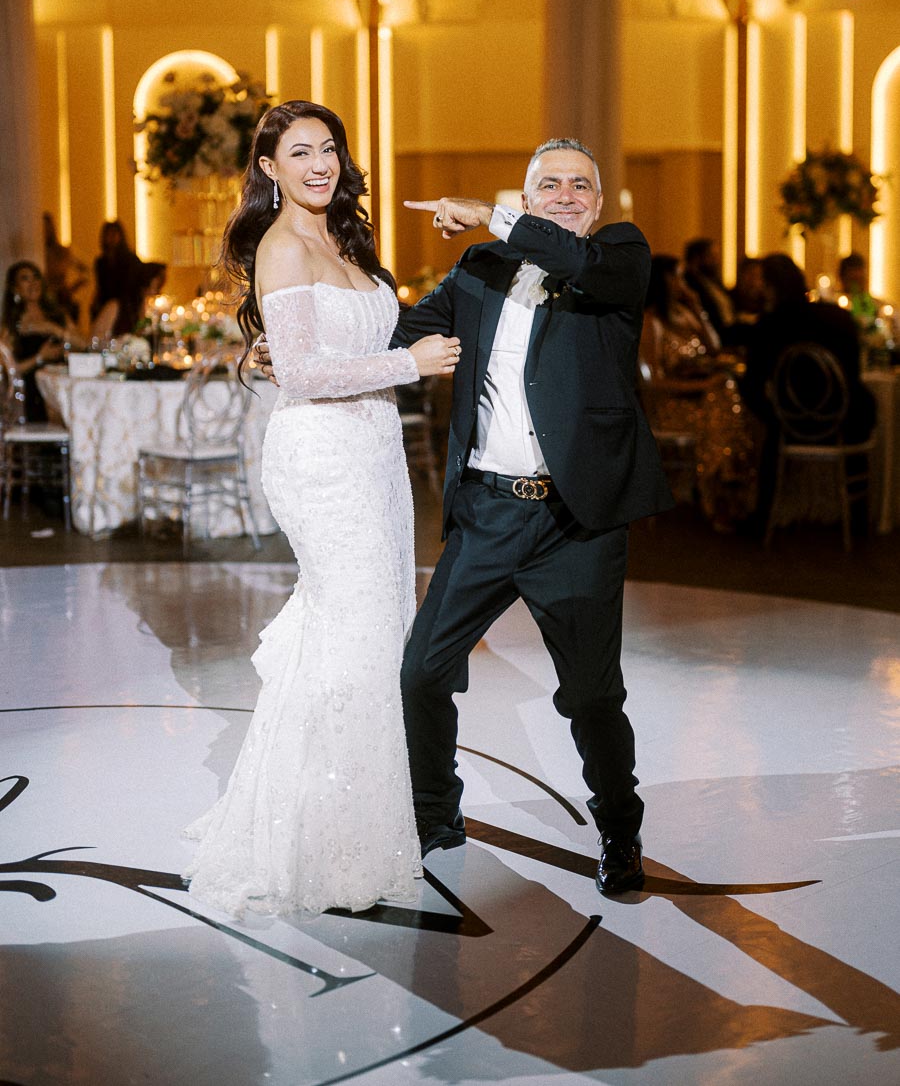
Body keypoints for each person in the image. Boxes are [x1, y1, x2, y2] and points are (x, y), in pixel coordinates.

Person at [183, 100, 459, 918]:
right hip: (322, 460)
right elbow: (303, 375)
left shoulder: (344, 237)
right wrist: (408, 365)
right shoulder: (282, 245)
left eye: (329, 148)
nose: (319, 164)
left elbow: (341, 345)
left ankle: (351, 816)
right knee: (356, 633)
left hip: (375, 452)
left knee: (374, 632)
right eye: (299, 152)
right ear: (269, 168)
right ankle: (330, 839)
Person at [394, 139, 674, 894]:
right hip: (487, 511)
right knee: (423, 673)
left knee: (591, 696)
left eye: (580, 185)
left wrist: (488, 213)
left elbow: (576, 261)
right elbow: (401, 333)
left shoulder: (618, 256)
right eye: (548, 184)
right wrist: (299, 341)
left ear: (599, 202)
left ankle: (619, 830)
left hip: (574, 523)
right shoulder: (482, 267)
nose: (565, 195)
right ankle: (434, 813)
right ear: (527, 197)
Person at [741, 253, 876, 532]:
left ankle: (764, 514)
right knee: (861, 406)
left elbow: (751, 387)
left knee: (771, 434)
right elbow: (853, 378)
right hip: (844, 422)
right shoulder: (837, 318)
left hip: (791, 423)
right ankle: (858, 516)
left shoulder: (767, 327)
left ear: (771, 288)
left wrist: (776, 417)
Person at [640, 255, 757, 529]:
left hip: (701, 400)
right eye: (678, 276)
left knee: (723, 396)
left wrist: (697, 307)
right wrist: (703, 386)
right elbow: (653, 381)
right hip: (672, 404)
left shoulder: (685, 314)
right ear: (665, 280)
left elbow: (714, 347)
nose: (683, 283)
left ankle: (724, 485)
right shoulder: (651, 321)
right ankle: (724, 488)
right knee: (722, 400)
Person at [1, 261, 84, 421]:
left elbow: (85, 344)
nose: (33, 283)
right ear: (15, 289)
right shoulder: (12, 325)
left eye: (36, 277)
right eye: (25, 279)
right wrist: (39, 357)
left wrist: (53, 329)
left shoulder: (57, 315)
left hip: (61, 392)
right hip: (31, 395)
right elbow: (7, 370)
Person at [89, 219, 145, 339]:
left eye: (114, 234)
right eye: (108, 234)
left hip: (126, 304)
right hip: (106, 302)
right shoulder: (101, 262)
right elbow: (100, 286)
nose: (111, 238)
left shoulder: (130, 260)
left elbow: (133, 285)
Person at [682, 237, 734, 339]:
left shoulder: (714, 282)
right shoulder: (690, 284)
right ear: (697, 258)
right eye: (712, 256)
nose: (717, 261)